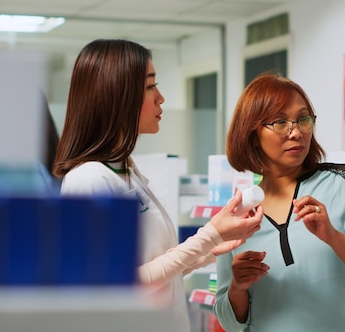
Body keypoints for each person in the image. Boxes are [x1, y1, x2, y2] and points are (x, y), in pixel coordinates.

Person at [52, 39, 264, 332]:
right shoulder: (88, 180)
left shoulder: (127, 172)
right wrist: (210, 234)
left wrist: (216, 243)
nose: (161, 98)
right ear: (118, 95)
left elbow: (161, 268)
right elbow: (123, 283)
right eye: (150, 86)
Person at [213, 72, 345, 331]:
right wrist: (237, 287)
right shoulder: (237, 214)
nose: (296, 132)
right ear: (252, 134)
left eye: (303, 119)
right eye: (280, 122)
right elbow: (229, 322)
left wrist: (333, 237)